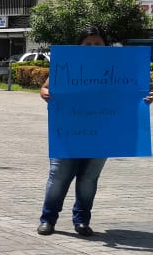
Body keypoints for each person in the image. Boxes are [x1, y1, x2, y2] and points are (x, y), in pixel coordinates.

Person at [36, 27, 112, 237]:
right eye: (88, 44)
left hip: (101, 133)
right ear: (79, 46)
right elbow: (46, 87)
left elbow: (131, 96)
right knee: (59, 175)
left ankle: (81, 221)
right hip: (69, 131)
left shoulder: (118, 68)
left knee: (89, 179)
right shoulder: (66, 65)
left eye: (97, 44)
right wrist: (45, 93)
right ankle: (48, 220)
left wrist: (145, 100)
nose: (93, 47)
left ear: (106, 46)